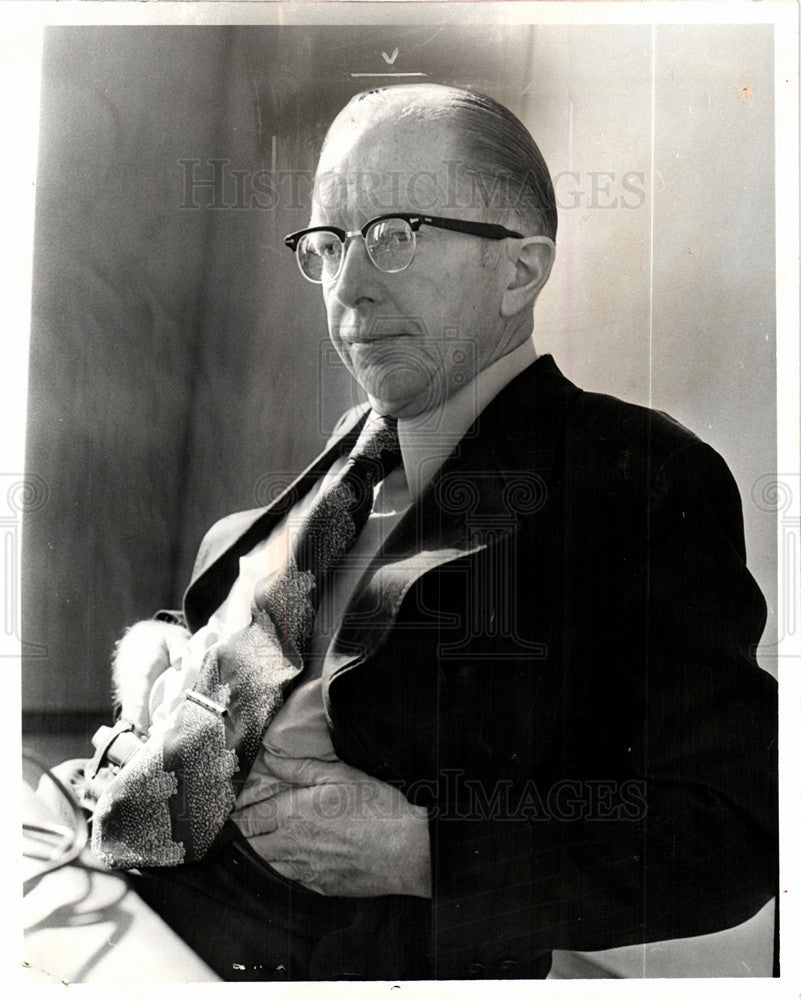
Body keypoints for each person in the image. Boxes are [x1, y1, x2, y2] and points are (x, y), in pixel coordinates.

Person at [91, 84, 777, 980]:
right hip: (125, 867)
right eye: (328, 245)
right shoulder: (357, 444)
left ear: (519, 270)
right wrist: (158, 654)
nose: (347, 286)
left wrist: (422, 850)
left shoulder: (634, 476)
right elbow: (285, 633)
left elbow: (735, 830)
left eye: (393, 236)